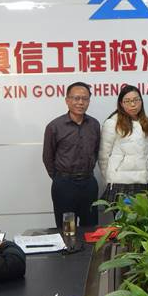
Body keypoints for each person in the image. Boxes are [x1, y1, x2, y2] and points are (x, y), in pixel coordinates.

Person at [43, 82, 100, 227]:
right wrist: (59, 178)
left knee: (91, 228)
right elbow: (48, 157)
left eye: (85, 98)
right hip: (64, 185)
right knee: (66, 228)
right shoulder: (54, 126)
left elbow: (96, 151)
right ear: (67, 100)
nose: (80, 102)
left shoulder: (94, 124)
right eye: (76, 98)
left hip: (88, 183)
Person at [98, 85, 148, 202]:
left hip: (145, 183)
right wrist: (109, 178)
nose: (133, 104)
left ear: (141, 101)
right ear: (121, 104)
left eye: (136, 100)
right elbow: (103, 156)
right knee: (121, 215)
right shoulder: (112, 123)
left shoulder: (145, 122)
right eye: (127, 101)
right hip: (121, 184)